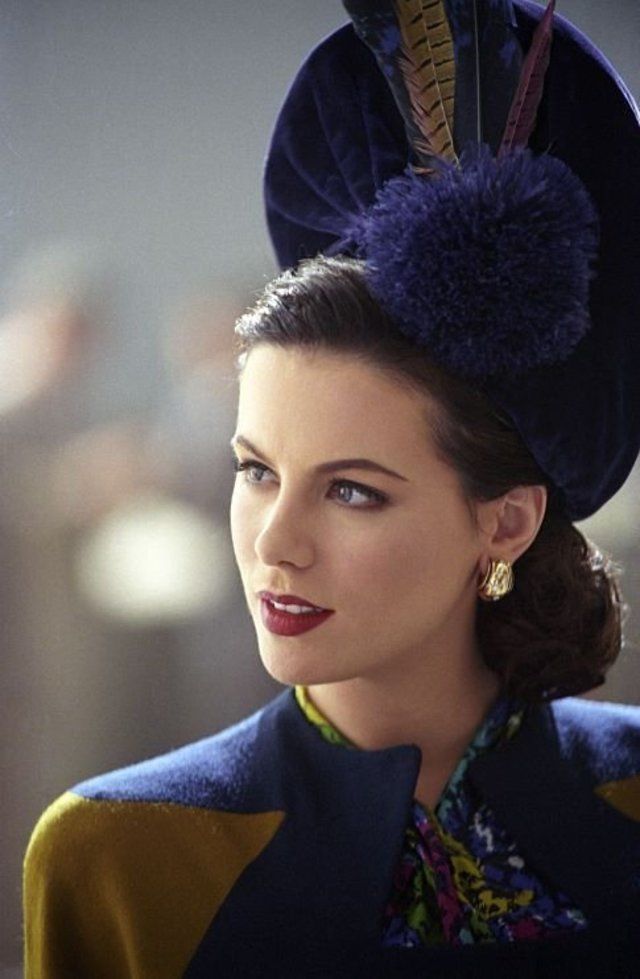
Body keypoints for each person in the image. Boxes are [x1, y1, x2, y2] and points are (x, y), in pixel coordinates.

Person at [23, 1, 640, 976]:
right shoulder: (118, 853)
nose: (275, 541)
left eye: (352, 491)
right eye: (255, 471)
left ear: (506, 521)